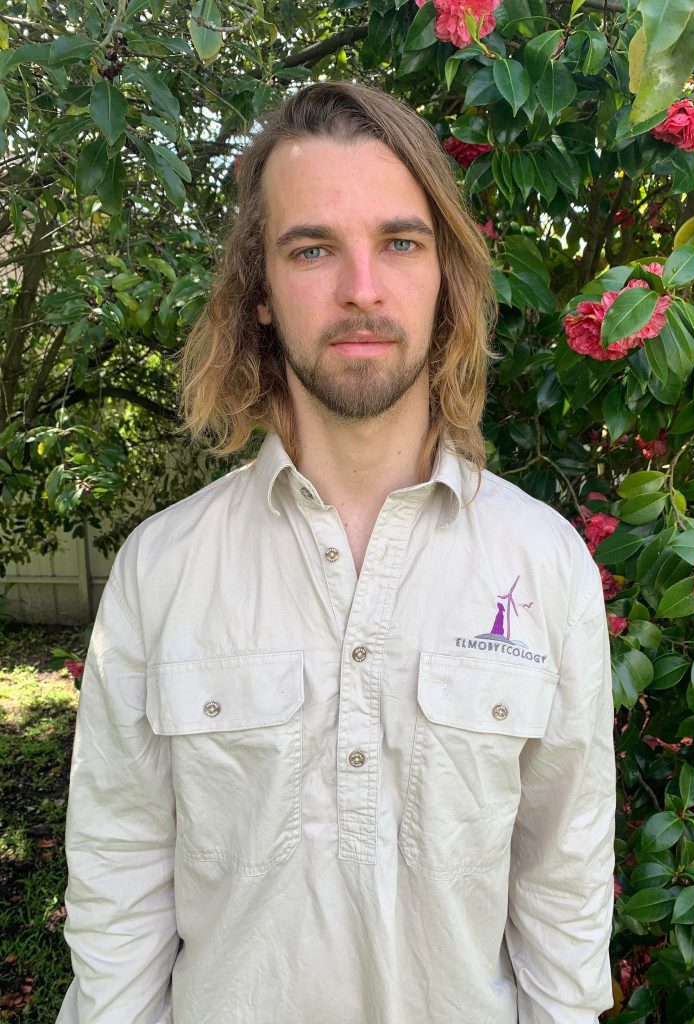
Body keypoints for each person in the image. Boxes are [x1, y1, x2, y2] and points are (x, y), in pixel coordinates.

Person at [58, 81, 616, 1024]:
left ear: (445, 278)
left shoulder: (545, 564)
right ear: (262, 293)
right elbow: (117, 883)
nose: (362, 288)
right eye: (313, 248)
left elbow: (562, 884)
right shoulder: (163, 570)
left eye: (401, 242)